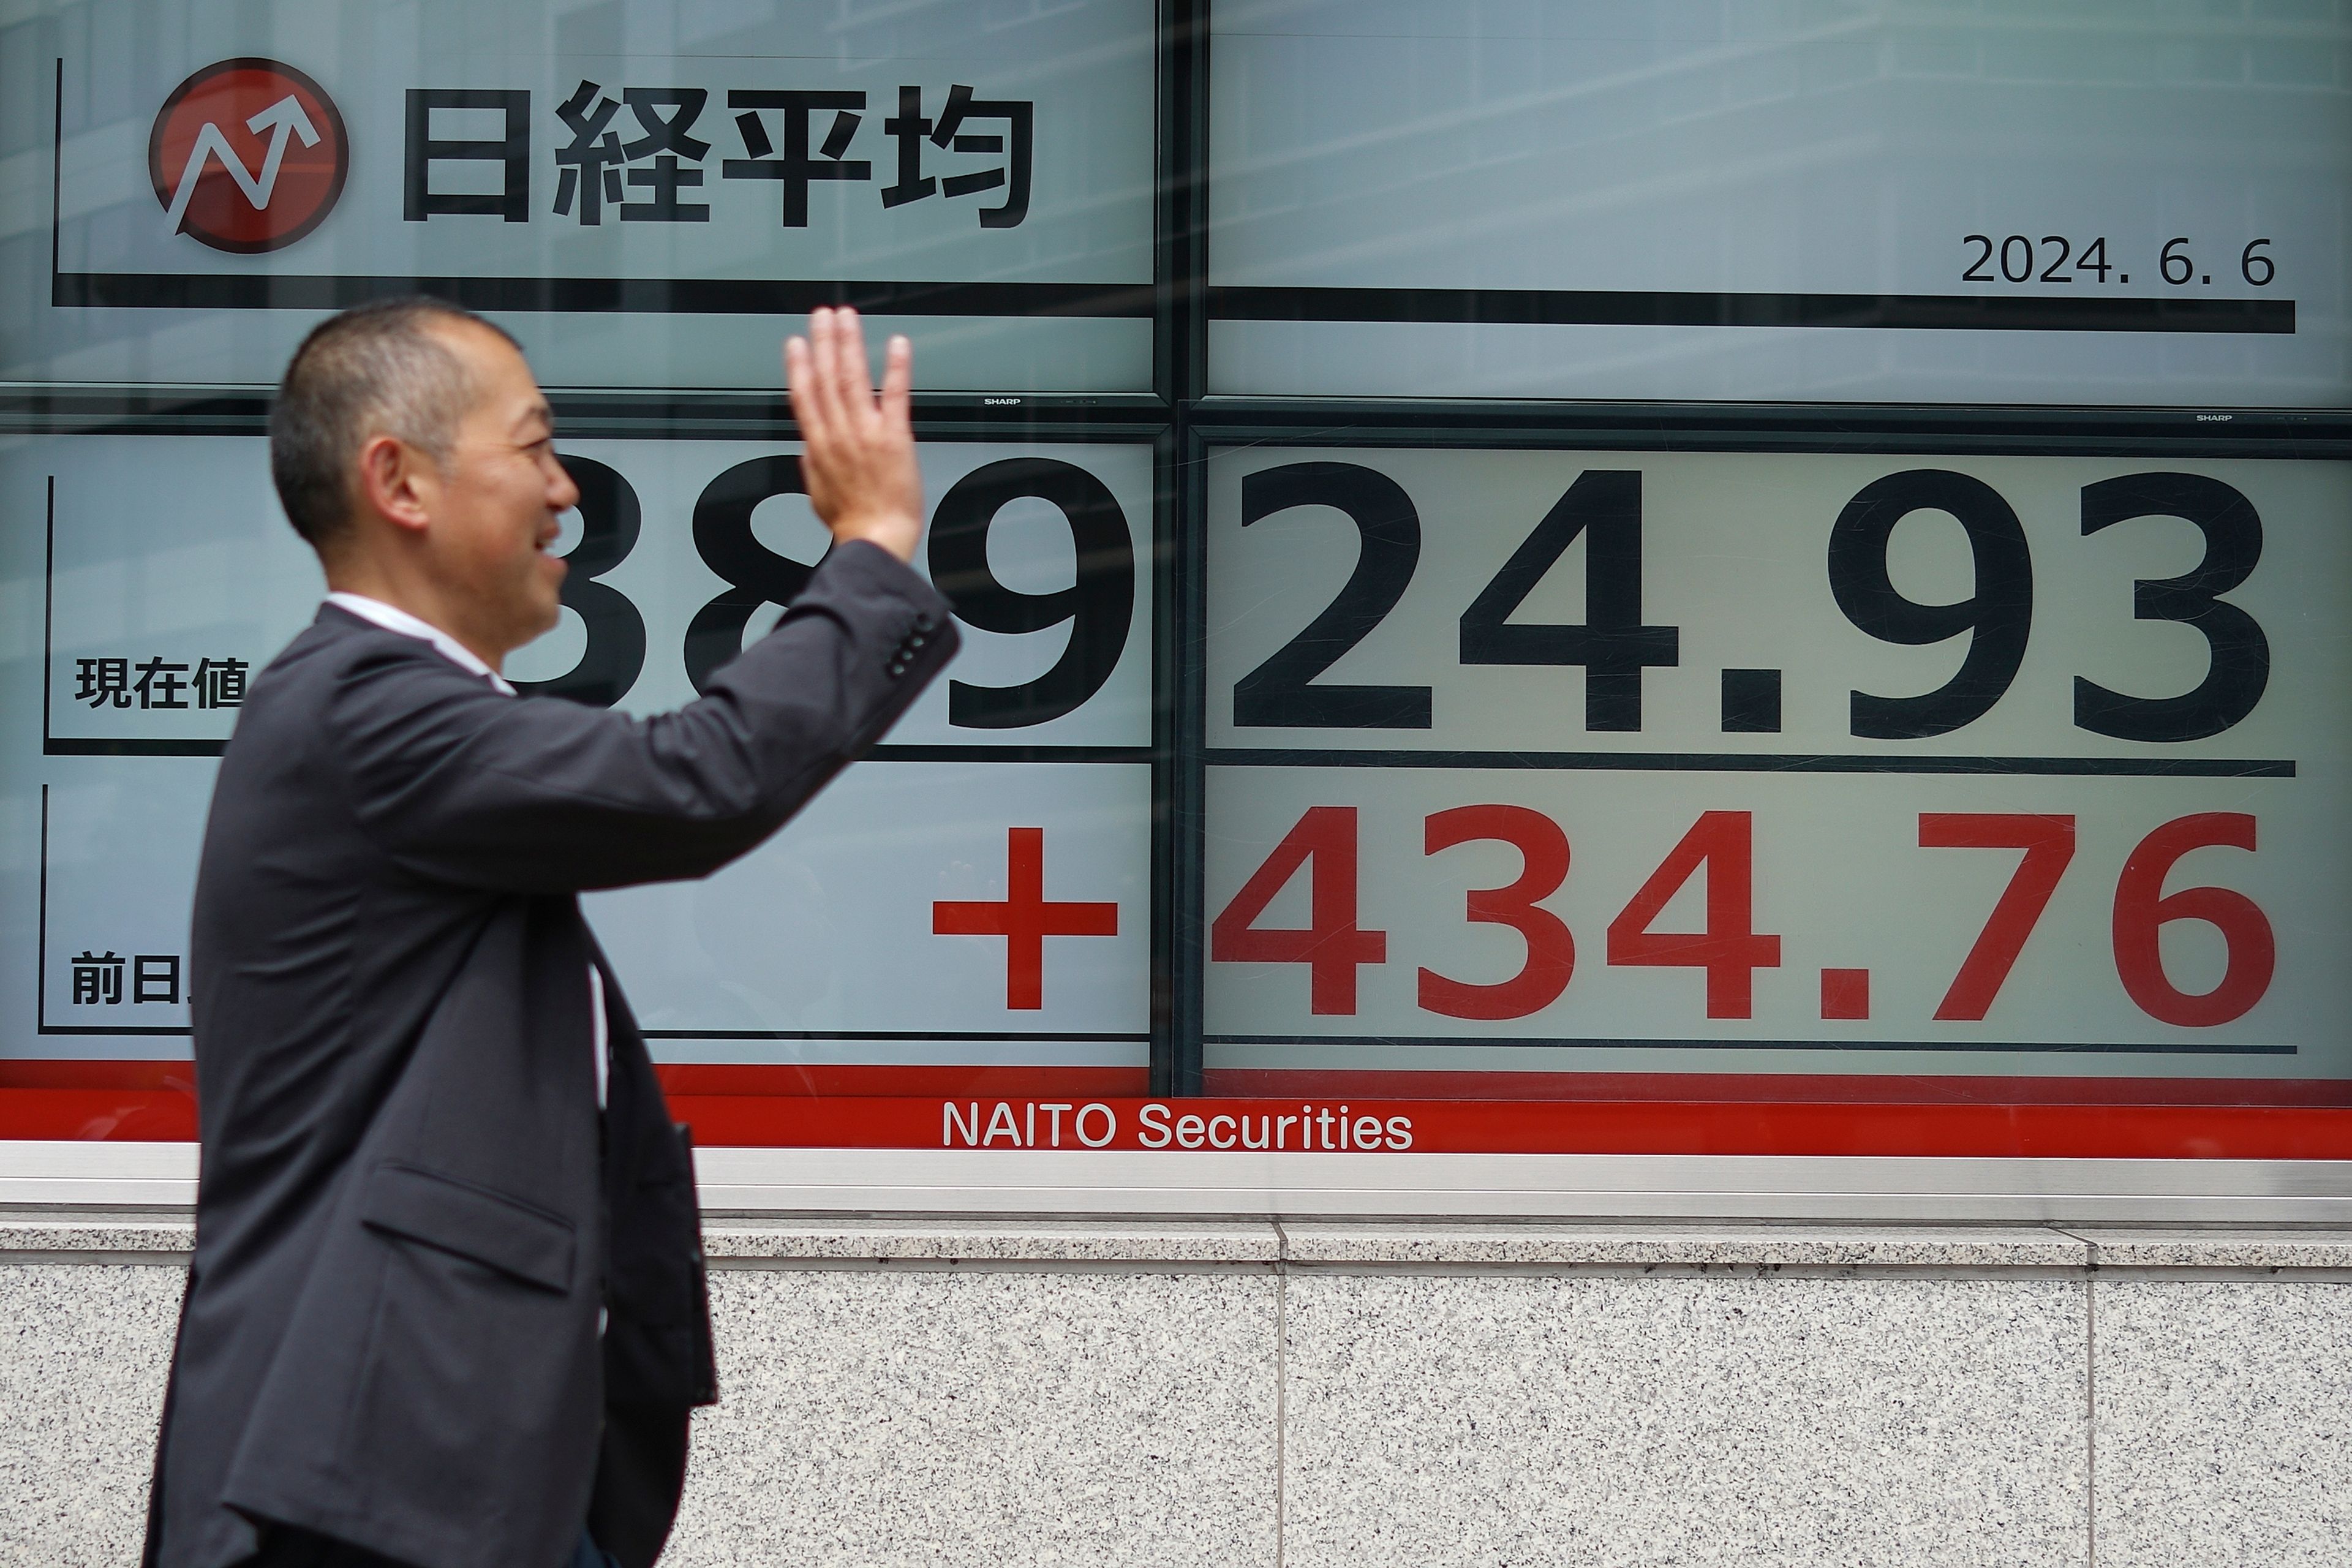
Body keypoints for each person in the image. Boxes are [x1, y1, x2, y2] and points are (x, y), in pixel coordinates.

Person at [140, 303, 956, 1568]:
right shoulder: (361, 711)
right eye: (535, 445)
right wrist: (874, 546)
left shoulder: (398, 728)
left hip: (439, 1470)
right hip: (360, 1480)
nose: (566, 490)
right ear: (398, 478)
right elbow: (702, 778)